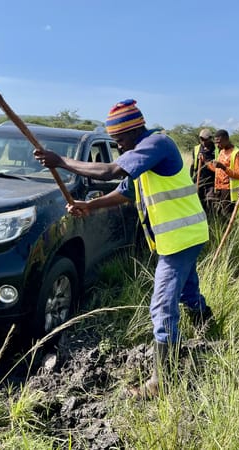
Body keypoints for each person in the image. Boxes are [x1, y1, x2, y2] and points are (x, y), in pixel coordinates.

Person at [33, 99, 212, 398]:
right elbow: (126, 191)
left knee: (162, 305)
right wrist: (89, 206)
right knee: (187, 290)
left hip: (181, 239)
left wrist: (61, 161)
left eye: (119, 140)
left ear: (134, 131)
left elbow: (111, 171)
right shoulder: (144, 154)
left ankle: (162, 382)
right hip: (183, 237)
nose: (119, 148)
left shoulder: (157, 144)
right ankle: (206, 325)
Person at [205, 129, 239, 220]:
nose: (217, 145)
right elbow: (218, 171)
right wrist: (207, 164)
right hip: (218, 188)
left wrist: (223, 167)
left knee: (227, 215)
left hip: (228, 190)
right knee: (219, 213)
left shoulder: (236, 153)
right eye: (216, 143)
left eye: (219, 142)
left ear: (226, 139)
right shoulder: (221, 151)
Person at [190, 129, 217, 216]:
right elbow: (192, 164)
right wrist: (191, 179)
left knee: (210, 202)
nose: (204, 142)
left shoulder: (216, 149)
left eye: (206, 139)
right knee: (198, 203)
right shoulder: (196, 149)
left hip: (211, 182)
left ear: (211, 138)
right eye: (202, 139)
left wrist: (205, 160)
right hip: (198, 181)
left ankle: (211, 220)